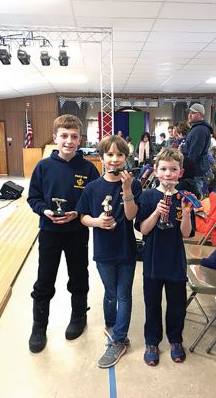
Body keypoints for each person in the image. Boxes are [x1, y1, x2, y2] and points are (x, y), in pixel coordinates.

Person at [27, 114, 100, 354]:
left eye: (74, 136)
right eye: (64, 136)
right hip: (49, 231)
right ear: (55, 138)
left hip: (77, 232)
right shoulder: (43, 166)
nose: (69, 141)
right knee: (45, 277)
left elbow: (94, 200)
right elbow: (33, 197)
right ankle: (39, 326)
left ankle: (79, 316)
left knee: (78, 275)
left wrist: (77, 212)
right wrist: (44, 210)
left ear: (80, 139)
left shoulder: (89, 168)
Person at [76, 135, 142, 368]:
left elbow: (132, 216)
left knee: (123, 295)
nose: (114, 160)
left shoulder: (133, 184)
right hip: (103, 250)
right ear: (102, 157)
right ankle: (112, 325)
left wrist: (126, 189)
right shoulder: (92, 187)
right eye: (110, 155)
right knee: (110, 292)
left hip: (125, 249)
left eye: (120, 155)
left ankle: (120, 340)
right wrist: (96, 222)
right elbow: (82, 216)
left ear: (126, 157)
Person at [135, 148, 194, 366]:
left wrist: (186, 215)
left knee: (177, 303)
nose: (168, 174)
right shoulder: (148, 196)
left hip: (175, 260)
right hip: (152, 259)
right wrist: (156, 212)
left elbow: (186, 233)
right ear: (156, 171)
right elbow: (144, 229)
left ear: (181, 172)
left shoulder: (185, 198)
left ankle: (176, 339)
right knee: (152, 303)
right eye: (163, 169)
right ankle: (152, 341)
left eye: (173, 169)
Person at [182, 103, 211, 195]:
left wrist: (186, 169)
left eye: (193, 113)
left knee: (195, 198)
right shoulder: (197, 128)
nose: (189, 115)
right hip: (196, 169)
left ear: (201, 115)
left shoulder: (200, 130)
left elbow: (194, 154)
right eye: (189, 112)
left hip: (196, 170)